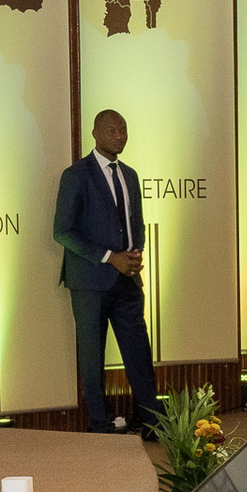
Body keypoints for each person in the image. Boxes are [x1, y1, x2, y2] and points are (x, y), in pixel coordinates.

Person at [52, 109, 163, 438]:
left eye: (124, 130)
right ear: (96, 134)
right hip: (89, 283)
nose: (119, 135)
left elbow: (135, 222)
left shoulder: (129, 174)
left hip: (128, 280)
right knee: (92, 355)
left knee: (139, 352)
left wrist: (135, 252)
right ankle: (100, 424)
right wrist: (109, 257)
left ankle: (154, 422)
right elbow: (62, 231)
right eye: (112, 130)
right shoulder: (76, 175)